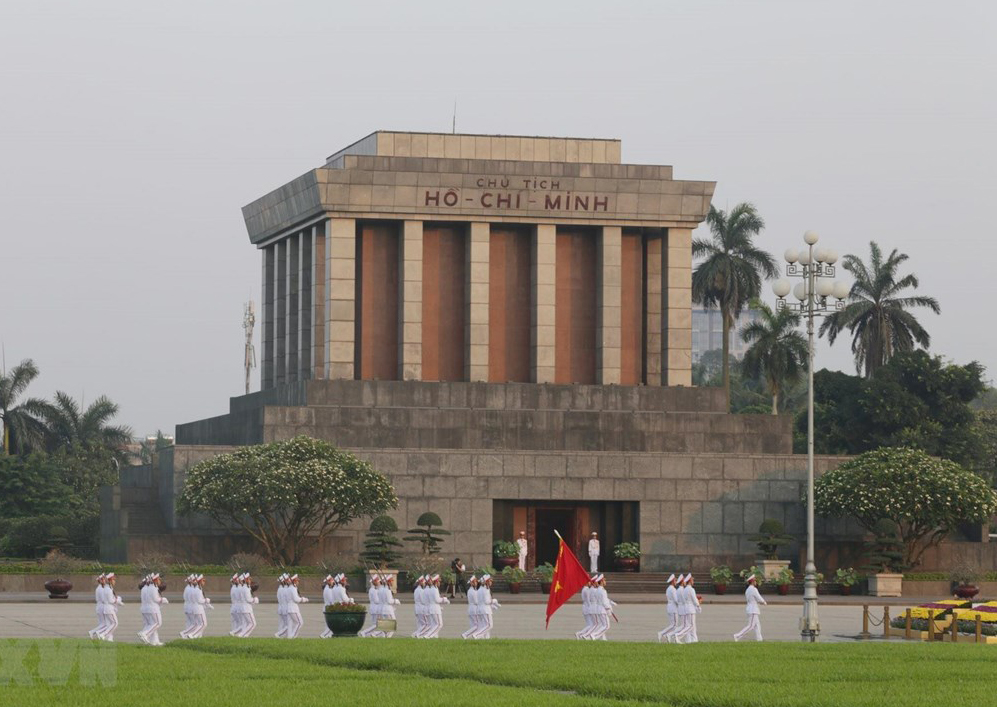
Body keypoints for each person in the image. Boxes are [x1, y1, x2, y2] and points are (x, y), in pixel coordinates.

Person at [734, 574, 767, 642]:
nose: (756, 582)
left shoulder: (748, 589)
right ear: (752, 582)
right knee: (751, 626)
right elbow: (758, 597)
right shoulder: (754, 589)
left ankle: (759, 639)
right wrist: (763, 601)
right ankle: (737, 635)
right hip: (753, 609)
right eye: (755, 581)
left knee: (757, 625)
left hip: (751, 608)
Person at [138, 573, 168, 646]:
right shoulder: (154, 588)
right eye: (158, 579)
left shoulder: (144, 588)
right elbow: (156, 599)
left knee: (151, 625)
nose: (159, 581)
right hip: (153, 608)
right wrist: (163, 599)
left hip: (145, 608)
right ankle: (144, 633)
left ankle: (154, 641)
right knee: (157, 623)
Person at [472, 574, 500, 639]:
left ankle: (486, 639)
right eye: (490, 581)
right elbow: (487, 601)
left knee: (484, 626)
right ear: (486, 581)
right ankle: (477, 635)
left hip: (480, 609)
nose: (491, 582)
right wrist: (494, 601)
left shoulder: (479, 590)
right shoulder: (486, 590)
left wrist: (492, 606)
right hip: (485, 610)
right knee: (490, 625)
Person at [589, 574, 615, 641]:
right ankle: (594, 635)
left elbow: (604, 600)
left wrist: (610, 602)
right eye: (604, 580)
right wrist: (609, 609)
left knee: (603, 625)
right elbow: (604, 602)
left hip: (599, 609)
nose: (605, 582)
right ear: (602, 582)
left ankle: (600, 637)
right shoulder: (603, 591)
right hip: (602, 609)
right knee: (606, 626)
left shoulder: (598, 590)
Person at [424, 574, 450, 638]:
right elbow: (437, 600)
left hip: (433, 608)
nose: (439, 583)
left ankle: (432, 636)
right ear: (436, 582)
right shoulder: (435, 589)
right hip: (435, 608)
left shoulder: (432, 589)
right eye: (439, 581)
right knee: (439, 624)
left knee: (435, 624)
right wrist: (445, 599)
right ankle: (428, 635)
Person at [285, 574, 308, 639]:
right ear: (294, 581)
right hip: (293, 608)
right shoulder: (293, 588)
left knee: (292, 624)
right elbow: (296, 599)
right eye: (297, 581)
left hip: (289, 607)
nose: (298, 582)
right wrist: (303, 599)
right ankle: (293, 637)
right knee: (300, 623)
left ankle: (290, 637)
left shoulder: (290, 588)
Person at [657, 574, 679, 643]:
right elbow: (676, 600)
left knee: (672, 624)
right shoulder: (673, 589)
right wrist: (681, 604)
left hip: (669, 607)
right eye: (675, 580)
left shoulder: (668, 588)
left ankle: (668, 636)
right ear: (672, 581)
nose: (676, 582)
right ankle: (662, 633)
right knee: (674, 625)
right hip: (673, 608)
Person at [101, 573, 123, 641]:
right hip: (109, 608)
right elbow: (111, 600)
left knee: (110, 624)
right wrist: (117, 600)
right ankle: (103, 634)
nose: (114, 581)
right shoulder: (109, 589)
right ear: (110, 580)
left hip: (107, 608)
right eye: (113, 580)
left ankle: (108, 638)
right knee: (115, 623)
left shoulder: (107, 588)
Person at [236, 573, 259, 637]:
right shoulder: (246, 588)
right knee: (253, 624)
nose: (250, 581)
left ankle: (245, 635)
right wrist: (255, 600)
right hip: (247, 608)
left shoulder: (244, 587)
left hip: (244, 607)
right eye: (249, 579)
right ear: (246, 580)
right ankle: (241, 635)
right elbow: (248, 599)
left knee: (249, 623)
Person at [576, 575, 595, 640]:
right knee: (591, 624)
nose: (590, 583)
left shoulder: (584, 589)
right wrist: (591, 608)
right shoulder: (586, 590)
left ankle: (585, 635)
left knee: (589, 624)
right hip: (587, 607)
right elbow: (588, 600)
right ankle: (580, 633)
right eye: (589, 582)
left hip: (585, 607)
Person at [89, 573, 107, 639]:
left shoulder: (99, 588)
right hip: (102, 607)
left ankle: (97, 634)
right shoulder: (101, 589)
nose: (105, 581)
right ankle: (95, 632)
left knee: (102, 624)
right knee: (105, 624)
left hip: (99, 607)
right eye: (104, 579)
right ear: (102, 580)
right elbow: (103, 599)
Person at [462, 575, 480, 639]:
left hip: (471, 609)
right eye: (474, 582)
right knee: (478, 625)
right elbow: (476, 602)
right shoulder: (473, 591)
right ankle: (466, 634)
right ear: (471, 583)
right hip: (474, 609)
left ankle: (473, 637)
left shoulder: (470, 590)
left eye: (476, 582)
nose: (476, 583)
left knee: (473, 625)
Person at [180, 574, 197, 639]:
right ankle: (188, 634)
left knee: (189, 622)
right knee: (194, 622)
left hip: (187, 606)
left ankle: (187, 635)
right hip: (191, 606)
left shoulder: (187, 588)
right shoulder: (191, 588)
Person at [275, 573, 290, 638]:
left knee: (282, 624)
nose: (289, 580)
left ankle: (281, 636)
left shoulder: (280, 589)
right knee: (288, 624)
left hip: (281, 608)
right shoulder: (285, 589)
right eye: (288, 579)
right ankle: (280, 634)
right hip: (285, 608)